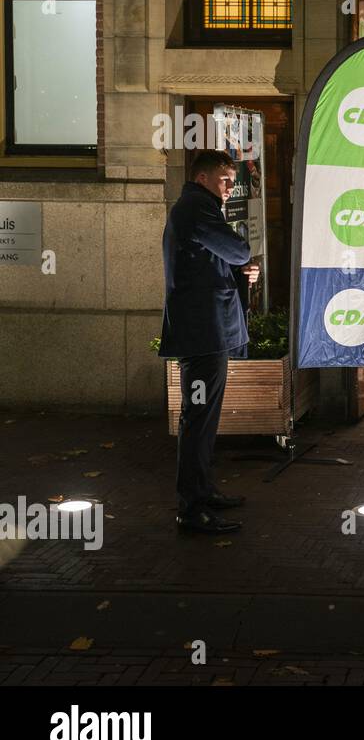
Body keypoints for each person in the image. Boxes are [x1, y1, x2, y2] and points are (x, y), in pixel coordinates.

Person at [160, 150, 260, 535]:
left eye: (232, 179)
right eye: (224, 179)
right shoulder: (195, 208)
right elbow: (236, 249)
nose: (230, 186)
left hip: (208, 331)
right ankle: (191, 507)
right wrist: (241, 259)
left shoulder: (199, 208)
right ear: (201, 178)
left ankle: (202, 491)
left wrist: (240, 272)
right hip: (202, 333)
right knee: (198, 418)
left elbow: (221, 260)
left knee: (202, 418)